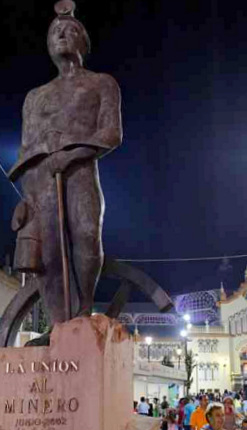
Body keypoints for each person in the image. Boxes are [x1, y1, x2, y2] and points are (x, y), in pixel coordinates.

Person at [8, 0, 122, 324]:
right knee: (49, 254)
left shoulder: (102, 83)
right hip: (41, 181)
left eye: (69, 30)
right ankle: (61, 323)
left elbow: (111, 133)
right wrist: (27, 199)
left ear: (83, 42)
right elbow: (26, 148)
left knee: (86, 234)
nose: (62, 35)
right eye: (55, 32)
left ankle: (84, 310)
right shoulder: (35, 97)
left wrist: (71, 155)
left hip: (81, 172)